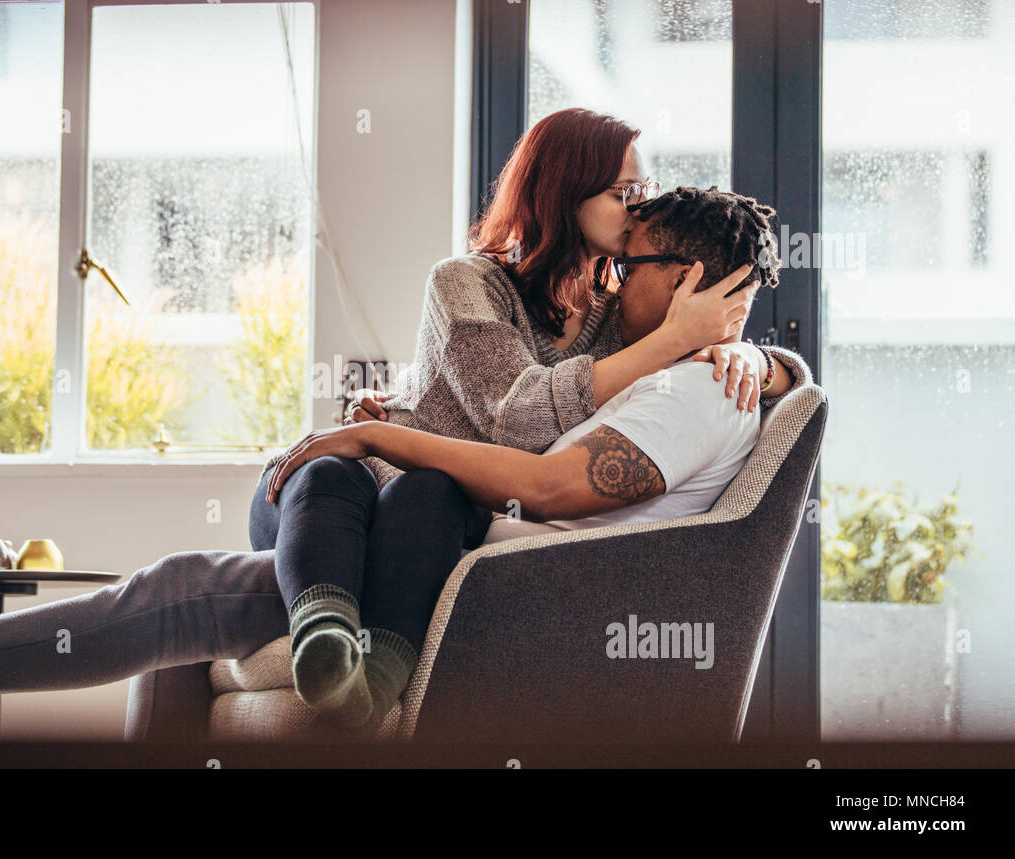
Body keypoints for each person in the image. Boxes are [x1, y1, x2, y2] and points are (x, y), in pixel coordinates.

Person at [0, 185, 791, 739]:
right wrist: (765, 357)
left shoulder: (700, 389)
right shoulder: (657, 360)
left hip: (479, 591)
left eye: (628, 260)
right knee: (191, 590)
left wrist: (378, 434)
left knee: (181, 595)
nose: (610, 275)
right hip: (430, 553)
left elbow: (545, 480)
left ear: (682, 278)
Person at [243, 109, 806, 728]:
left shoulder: (616, 315)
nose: (639, 209)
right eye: (624, 193)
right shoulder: (464, 282)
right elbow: (516, 416)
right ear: (564, 193)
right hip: (345, 487)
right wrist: (671, 339)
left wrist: (755, 355)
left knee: (430, 492)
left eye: (641, 191)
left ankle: (367, 688)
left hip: (429, 512)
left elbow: (712, 358)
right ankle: (323, 640)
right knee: (331, 472)